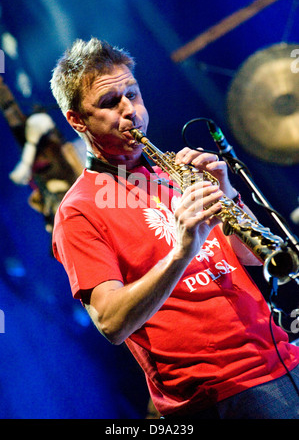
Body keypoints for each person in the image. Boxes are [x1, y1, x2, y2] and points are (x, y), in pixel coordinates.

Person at [50, 37, 299, 419]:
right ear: (76, 120)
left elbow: (251, 257)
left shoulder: (173, 172)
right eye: (109, 103)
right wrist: (182, 250)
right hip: (220, 394)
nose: (130, 111)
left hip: (282, 357)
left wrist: (225, 191)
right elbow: (112, 323)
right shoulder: (78, 211)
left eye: (132, 94)